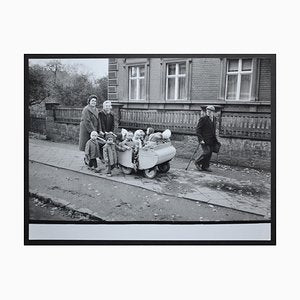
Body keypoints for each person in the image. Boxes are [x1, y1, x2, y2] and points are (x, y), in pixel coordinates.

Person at [194, 105, 219, 172]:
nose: (208, 112)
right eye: (207, 111)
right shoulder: (203, 119)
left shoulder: (215, 119)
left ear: (213, 112)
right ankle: (197, 161)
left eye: (210, 111)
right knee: (206, 152)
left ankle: (205, 166)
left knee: (209, 153)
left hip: (212, 140)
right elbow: (198, 130)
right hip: (204, 140)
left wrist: (215, 139)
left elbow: (213, 129)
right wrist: (201, 139)